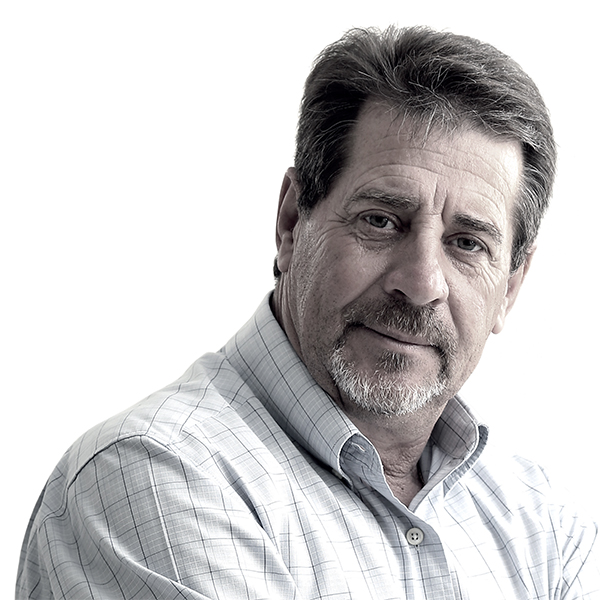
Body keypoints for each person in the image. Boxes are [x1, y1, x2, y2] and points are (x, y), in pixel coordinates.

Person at [16, 25, 599, 599]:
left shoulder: (546, 525)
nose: (421, 284)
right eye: (381, 220)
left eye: (467, 244)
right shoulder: (155, 477)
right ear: (292, 222)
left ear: (511, 286)